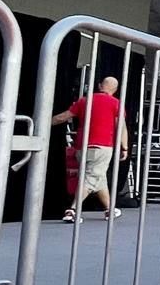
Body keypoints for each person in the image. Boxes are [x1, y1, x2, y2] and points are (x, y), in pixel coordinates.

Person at [53, 76, 128, 222]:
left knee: (98, 178)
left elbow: (64, 116)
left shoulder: (84, 100)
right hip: (103, 147)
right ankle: (73, 210)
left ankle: (109, 209)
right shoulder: (116, 104)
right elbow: (121, 127)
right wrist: (124, 146)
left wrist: (44, 122)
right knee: (92, 177)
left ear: (100, 85)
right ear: (115, 90)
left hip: (81, 147)